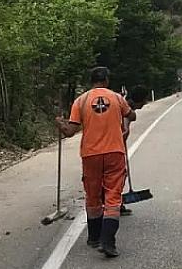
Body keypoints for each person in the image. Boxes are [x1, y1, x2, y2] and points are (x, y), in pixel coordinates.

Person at [56, 66, 136, 257]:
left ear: (91, 81)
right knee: (113, 196)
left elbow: (70, 131)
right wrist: (126, 116)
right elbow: (131, 115)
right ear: (106, 80)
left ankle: (93, 237)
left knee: (92, 195)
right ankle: (107, 241)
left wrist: (59, 123)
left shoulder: (81, 101)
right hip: (114, 153)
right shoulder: (117, 98)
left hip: (90, 155)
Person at [119, 85, 150, 217]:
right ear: (139, 100)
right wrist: (124, 134)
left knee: (117, 176)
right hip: (113, 147)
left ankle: (113, 203)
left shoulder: (124, 104)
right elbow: (124, 128)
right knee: (118, 175)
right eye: (144, 100)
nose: (145, 103)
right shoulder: (124, 106)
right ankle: (113, 204)